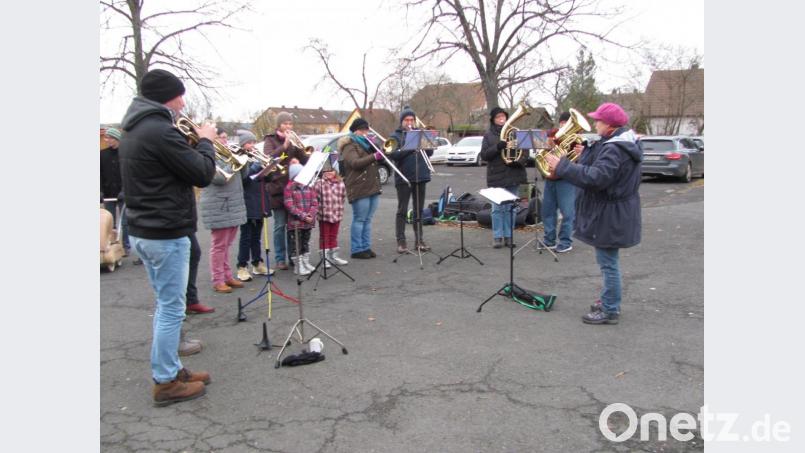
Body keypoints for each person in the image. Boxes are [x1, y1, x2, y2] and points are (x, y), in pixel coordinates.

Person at [119, 68, 216, 406]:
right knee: (172, 308)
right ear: (165, 97)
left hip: (147, 228)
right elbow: (203, 173)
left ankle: (172, 369)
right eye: (179, 95)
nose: (183, 102)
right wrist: (205, 140)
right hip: (164, 231)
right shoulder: (159, 130)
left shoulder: (135, 127)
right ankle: (165, 381)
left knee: (166, 304)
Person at [543, 102, 642, 325]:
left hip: (611, 213)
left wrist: (562, 166)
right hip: (614, 211)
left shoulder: (615, 148)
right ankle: (608, 301)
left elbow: (596, 178)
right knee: (607, 261)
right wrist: (587, 151)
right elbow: (599, 168)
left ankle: (610, 309)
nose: (595, 124)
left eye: (598, 120)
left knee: (608, 263)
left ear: (609, 125)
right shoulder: (617, 143)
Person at [263, 112, 310, 270]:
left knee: (293, 225)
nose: (288, 127)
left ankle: (293, 256)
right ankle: (280, 258)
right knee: (280, 225)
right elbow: (268, 158)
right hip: (277, 188)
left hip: (293, 189)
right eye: (285, 124)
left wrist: (301, 152)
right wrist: (284, 147)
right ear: (279, 125)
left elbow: (305, 161)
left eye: (290, 124)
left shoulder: (294, 141)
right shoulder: (270, 139)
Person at [198, 147, 248, 293]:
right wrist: (233, 161)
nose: (225, 142)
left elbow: (243, 176)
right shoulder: (208, 158)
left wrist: (243, 161)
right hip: (218, 205)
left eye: (226, 138)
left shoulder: (228, 157)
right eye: (222, 138)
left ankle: (227, 276)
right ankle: (218, 280)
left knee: (227, 244)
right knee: (219, 245)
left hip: (232, 203)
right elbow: (219, 178)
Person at [479, 107, 528, 248]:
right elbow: (484, 155)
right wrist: (498, 147)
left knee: (511, 208)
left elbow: (525, 153)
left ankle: (509, 236)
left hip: (514, 174)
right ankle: (497, 237)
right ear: (493, 120)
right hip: (497, 176)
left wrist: (517, 161)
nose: (501, 119)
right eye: (498, 117)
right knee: (497, 208)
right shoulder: (488, 136)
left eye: (503, 117)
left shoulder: (516, 132)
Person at [389, 106, 433, 253]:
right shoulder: (395, 137)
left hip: (420, 176)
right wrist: (408, 149)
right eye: (406, 120)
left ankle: (419, 241)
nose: (409, 122)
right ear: (402, 121)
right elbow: (393, 155)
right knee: (402, 209)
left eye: (412, 120)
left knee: (419, 210)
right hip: (404, 178)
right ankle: (401, 242)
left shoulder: (420, 134)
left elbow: (430, 152)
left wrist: (429, 140)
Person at [339, 118, 383, 259]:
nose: (366, 132)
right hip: (359, 186)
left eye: (367, 130)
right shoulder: (349, 145)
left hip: (372, 185)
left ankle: (366, 246)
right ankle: (357, 249)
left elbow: (377, 160)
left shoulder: (367, 144)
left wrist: (379, 151)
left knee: (368, 219)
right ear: (356, 130)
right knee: (360, 218)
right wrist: (374, 156)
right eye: (363, 130)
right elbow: (355, 163)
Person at [235, 130, 274, 281]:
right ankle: (242, 266)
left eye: (253, 142)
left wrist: (268, 168)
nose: (252, 145)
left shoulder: (256, 157)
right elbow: (244, 180)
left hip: (260, 201)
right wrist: (256, 167)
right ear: (242, 145)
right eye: (249, 143)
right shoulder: (239, 159)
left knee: (257, 236)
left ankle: (257, 263)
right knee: (246, 236)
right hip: (247, 201)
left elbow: (268, 179)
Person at [540, 112, 577, 253]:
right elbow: (541, 148)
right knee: (547, 211)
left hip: (566, 180)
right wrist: (547, 143)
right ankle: (549, 240)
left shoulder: (576, 139)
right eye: (562, 123)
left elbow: (580, 161)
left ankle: (566, 242)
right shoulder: (553, 134)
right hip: (551, 178)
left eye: (566, 123)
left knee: (568, 213)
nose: (563, 125)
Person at [283, 163, 319, 275]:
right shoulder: (289, 188)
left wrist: (311, 215)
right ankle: (298, 266)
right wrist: (303, 216)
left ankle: (305, 262)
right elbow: (289, 205)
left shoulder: (309, 186)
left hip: (308, 222)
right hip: (296, 223)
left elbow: (315, 202)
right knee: (296, 244)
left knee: (305, 242)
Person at [313, 155, 348, 265]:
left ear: (335, 171)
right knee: (324, 236)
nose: (328, 172)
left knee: (334, 235)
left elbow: (342, 198)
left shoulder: (341, 184)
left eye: (331, 170)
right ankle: (325, 258)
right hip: (324, 215)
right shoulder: (319, 184)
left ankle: (334, 256)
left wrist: (339, 209)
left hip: (337, 214)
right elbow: (315, 199)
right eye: (326, 171)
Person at [100, 127, 130, 254]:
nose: (107, 140)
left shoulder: (125, 153)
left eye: (110, 138)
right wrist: (100, 191)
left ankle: (126, 245)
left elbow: (128, 174)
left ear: (117, 139)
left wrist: (124, 189)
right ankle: (109, 245)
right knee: (109, 221)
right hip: (108, 193)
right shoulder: (102, 154)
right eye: (106, 138)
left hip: (122, 193)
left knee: (125, 222)